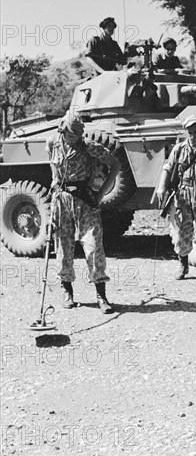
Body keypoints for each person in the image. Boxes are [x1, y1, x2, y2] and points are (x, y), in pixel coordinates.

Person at [45, 112, 121, 313]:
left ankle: (101, 295)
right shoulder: (52, 143)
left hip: (85, 201)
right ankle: (67, 291)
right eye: (70, 135)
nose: (74, 139)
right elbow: (54, 171)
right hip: (61, 200)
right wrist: (54, 191)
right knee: (63, 247)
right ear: (62, 130)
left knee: (94, 247)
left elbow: (115, 165)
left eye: (77, 136)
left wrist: (101, 193)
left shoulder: (88, 146)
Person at [157, 115, 196, 286]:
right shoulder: (178, 149)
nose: (193, 136)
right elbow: (167, 167)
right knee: (182, 231)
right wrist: (161, 187)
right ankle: (183, 265)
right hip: (183, 193)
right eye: (190, 132)